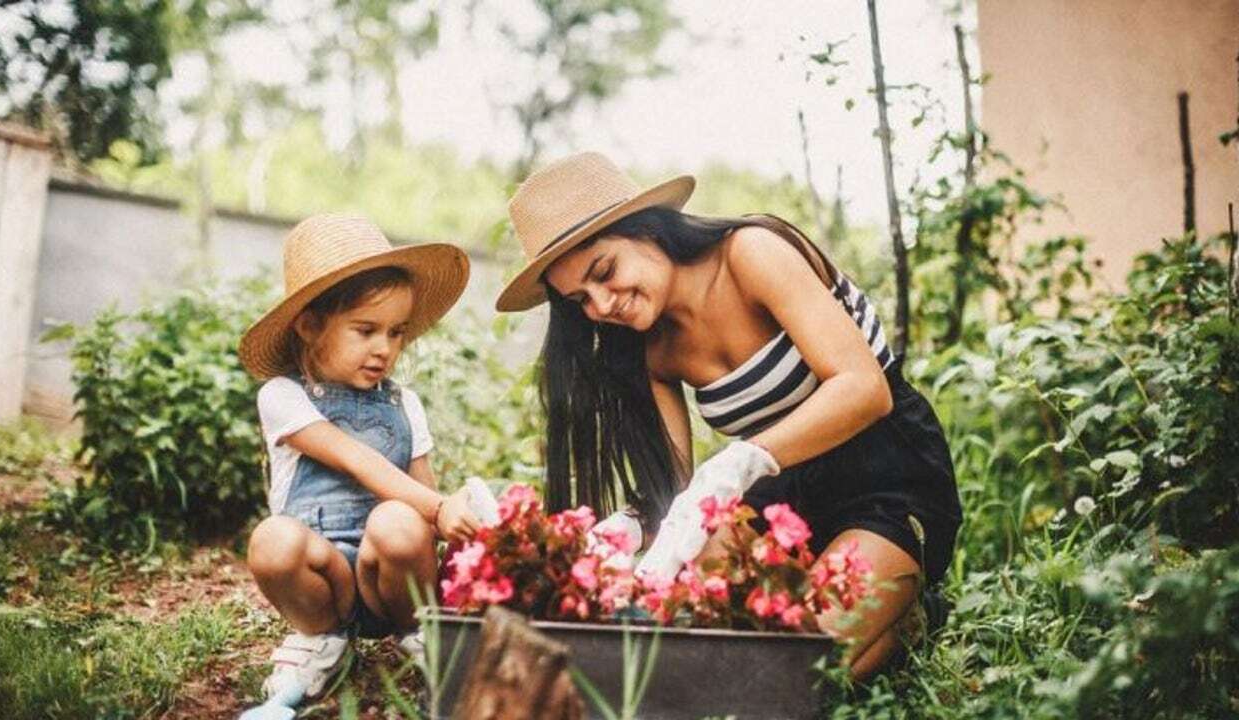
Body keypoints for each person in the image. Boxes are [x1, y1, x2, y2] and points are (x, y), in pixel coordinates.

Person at [496, 152, 962, 680]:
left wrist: (737, 461)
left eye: (605, 271)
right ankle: (878, 623)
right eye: (580, 298)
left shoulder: (750, 252)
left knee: (794, 668)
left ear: (649, 230)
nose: (601, 305)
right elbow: (675, 497)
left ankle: (908, 620)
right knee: (704, 632)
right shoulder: (650, 349)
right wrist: (617, 537)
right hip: (784, 493)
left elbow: (864, 389)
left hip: (887, 470)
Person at [238, 214, 483, 702]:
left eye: (396, 333)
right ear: (310, 326)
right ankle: (321, 639)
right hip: (323, 582)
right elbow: (353, 458)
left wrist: (454, 517)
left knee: (397, 519)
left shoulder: (404, 404)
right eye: (366, 330)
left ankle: (418, 632)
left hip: (386, 585)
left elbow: (422, 498)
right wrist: (438, 507)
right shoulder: (283, 396)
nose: (384, 349)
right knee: (271, 541)